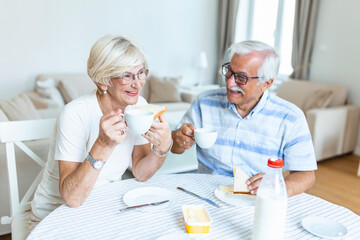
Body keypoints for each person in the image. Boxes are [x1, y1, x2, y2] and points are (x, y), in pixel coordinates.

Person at [29, 35, 172, 231]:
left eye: (140, 73)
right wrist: (102, 145)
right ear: (104, 81)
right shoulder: (75, 113)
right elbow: (72, 198)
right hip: (55, 215)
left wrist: (163, 147)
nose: (138, 83)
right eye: (127, 76)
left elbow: (141, 172)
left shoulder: (139, 108)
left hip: (103, 209)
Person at [171, 40, 317, 197]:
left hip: (257, 199)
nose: (229, 82)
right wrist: (178, 139)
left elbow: (306, 175)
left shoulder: (291, 118)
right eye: (229, 71)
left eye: (241, 77)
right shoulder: (204, 102)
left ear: (266, 83)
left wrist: (277, 187)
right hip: (206, 194)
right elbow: (175, 147)